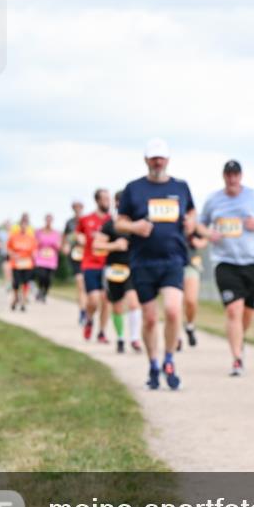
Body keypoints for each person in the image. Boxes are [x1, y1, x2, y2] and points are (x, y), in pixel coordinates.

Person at [115, 138, 195, 390]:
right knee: (149, 318)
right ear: (146, 160)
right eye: (153, 158)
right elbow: (119, 222)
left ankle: (169, 359)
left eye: (161, 157)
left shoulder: (180, 187)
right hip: (143, 261)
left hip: (172, 258)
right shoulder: (134, 188)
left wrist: (191, 221)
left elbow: (191, 211)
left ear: (168, 160)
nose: (157, 162)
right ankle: (153, 364)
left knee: (172, 310)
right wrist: (134, 226)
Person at [199, 160, 254, 376]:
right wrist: (208, 234)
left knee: (248, 311)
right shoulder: (214, 199)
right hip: (225, 261)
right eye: (228, 174)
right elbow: (199, 223)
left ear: (241, 176)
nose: (232, 178)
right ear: (223, 176)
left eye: (235, 174)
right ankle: (237, 358)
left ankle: (239, 339)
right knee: (233, 309)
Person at [95, 191, 144, 355]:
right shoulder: (110, 225)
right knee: (117, 307)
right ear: (116, 204)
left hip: (132, 268)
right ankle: (121, 338)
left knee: (133, 302)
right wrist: (114, 246)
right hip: (114, 269)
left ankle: (135, 339)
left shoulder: (137, 224)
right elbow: (97, 245)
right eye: (119, 202)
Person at [78, 189, 113, 343]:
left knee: (106, 300)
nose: (107, 202)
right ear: (97, 201)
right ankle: (89, 319)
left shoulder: (113, 220)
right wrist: (80, 239)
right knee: (93, 299)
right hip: (90, 263)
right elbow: (78, 234)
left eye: (109, 199)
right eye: (104, 199)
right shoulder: (86, 219)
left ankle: (102, 332)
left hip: (108, 265)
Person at [182, 228, 208, 348]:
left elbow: (204, 239)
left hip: (191, 265)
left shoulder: (194, 225)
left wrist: (197, 241)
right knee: (174, 303)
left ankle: (190, 325)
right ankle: (175, 336)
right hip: (172, 264)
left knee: (191, 300)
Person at [64, 200, 89, 325]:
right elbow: (66, 237)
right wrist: (66, 245)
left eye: (79, 207)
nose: (77, 209)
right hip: (75, 256)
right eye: (75, 208)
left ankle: (88, 309)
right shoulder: (69, 223)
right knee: (80, 284)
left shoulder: (87, 220)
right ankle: (82, 311)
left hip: (87, 256)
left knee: (87, 287)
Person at [6, 214, 37, 311]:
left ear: (27, 226)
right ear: (19, 226)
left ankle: (23, 301)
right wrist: (13, 254)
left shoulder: (31, 238)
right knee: (16, 283)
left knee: (25, 283)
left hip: (27, 263)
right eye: (22, 225)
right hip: (16, 263)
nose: (23, 227)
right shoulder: (14, 237)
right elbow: (8, 248)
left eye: (25, 225)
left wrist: (34, 256)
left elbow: (34, 250)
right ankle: (15, 298)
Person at [34, 214, 62, 302]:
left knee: (48, 279)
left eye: (50, 220)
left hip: (51, 259)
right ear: (45, 220)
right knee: (42, 276)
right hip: (41, 257)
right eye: (47, 220)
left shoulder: (56, 233)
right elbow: (35, 244)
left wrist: (57, 245)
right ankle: (40, 289)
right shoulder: (39, 231)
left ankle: (44, 293)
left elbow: (59, 246)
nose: (48, 222)